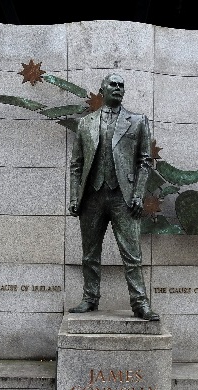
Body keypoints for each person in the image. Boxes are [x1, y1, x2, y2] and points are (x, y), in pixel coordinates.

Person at [68, 73, 159, 321]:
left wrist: (139, 194)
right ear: (102, 90)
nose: (118, 88)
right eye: (113, 85)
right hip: (92, 197)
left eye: (121, 86)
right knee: (89, 253)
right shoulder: (85, 123)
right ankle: (90, 298)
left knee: (132, 254)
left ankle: (140, 303)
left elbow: (144, 162)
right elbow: (76, 164)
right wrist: (75, 196)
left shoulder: (138, 121)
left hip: (124, 198)